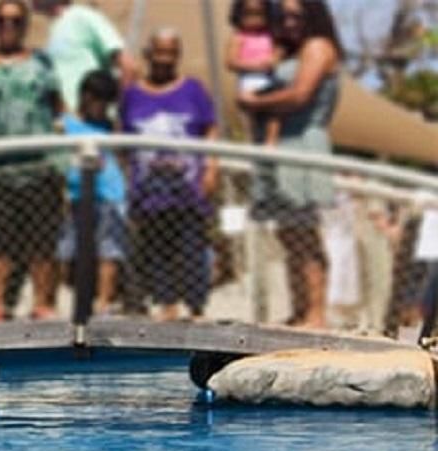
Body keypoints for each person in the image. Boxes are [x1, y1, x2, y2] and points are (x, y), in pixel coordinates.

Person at [239, 0, 343, 329]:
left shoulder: (318, 46)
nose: (288, 22)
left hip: (303, 143)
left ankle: (316, 313)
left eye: (296, 15)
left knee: (304, 232)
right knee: (288, 233)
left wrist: (255, 102)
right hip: (280, 145)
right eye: (282, 16)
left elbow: (300, 95)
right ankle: (300, 309)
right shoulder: (287, 52)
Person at [0, 0, 64, 321]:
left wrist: (63, 151)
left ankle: (43, 302)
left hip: (40, 165)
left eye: (16, 21)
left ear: (25, 25)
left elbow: (57, 107)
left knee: (42, 239)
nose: (9, 27)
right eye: (2, 21)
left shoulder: (42, 63)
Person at [120, 28, 220, 321]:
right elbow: (124, 138)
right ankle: (166, 304)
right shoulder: (132, 95)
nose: (164, 58)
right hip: (149, 190)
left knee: (192, 247)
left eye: (170, 52)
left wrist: (212, 166)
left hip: (188, 188)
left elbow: (210, 128)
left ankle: (196, 306)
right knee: (155, 249)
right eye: (159, 51)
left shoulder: (193, 90)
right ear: (149, 53)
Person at [58, 70, 128, 314]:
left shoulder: (110, 127)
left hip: (109, 195)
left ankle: (103, 302)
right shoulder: (67, 124)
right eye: (97, 99)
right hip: (77, 195)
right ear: (85, 96)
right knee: (70, 251)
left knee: (108, 249)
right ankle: (76, 297)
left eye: (106, 102)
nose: (101, 106)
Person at [31, 0, 137, 113]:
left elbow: (127, 65)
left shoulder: (82, 16)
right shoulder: (55, 28)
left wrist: (118, 114)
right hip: (67, 121)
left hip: (91, 124)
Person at [226, 0, 281, 145]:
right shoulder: (239, 36)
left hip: (270, 82)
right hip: (248, 85)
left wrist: (273, 61)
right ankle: (251, 148)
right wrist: (256, 65)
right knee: (249, 123)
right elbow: (230, 62)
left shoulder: (271, 35)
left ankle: (270, 144)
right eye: (249, 14)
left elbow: (277, 56)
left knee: (272, 117)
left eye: (259, 14)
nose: (254, 19)